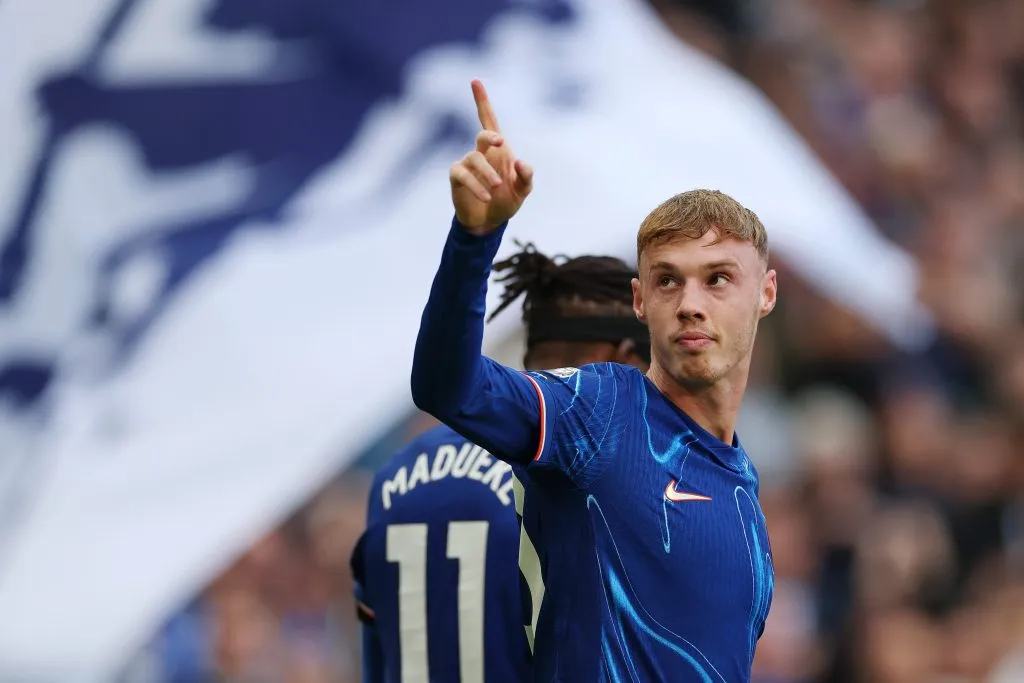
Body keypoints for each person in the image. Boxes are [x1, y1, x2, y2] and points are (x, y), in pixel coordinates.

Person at [410, 80, 778, 682]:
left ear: (764, 293)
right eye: (667, 281)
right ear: (639, 301)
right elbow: (448, 387)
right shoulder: (601, 409)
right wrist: (475, 239)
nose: (690, 303)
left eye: (717, 279)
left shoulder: (744, 490)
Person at [351, 242, 650, 683]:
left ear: (530, 359)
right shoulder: (590, 488)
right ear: (627, 360)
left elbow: (375, 659)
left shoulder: (394, 474)